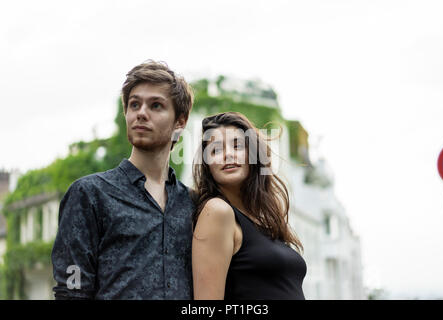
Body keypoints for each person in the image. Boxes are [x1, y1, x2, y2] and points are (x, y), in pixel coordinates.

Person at [51, 60, 195, 299]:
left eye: (156, 105)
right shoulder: (89, 194)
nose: (141, 113)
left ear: (180, 122)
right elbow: (71, 288)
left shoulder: (194, 203)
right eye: (134, 104)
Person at [191, 112, 307, 300]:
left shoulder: (265, 219)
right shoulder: (217, 211)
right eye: (216, 150)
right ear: (208, 166)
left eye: (237, 146)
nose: (228, 154)